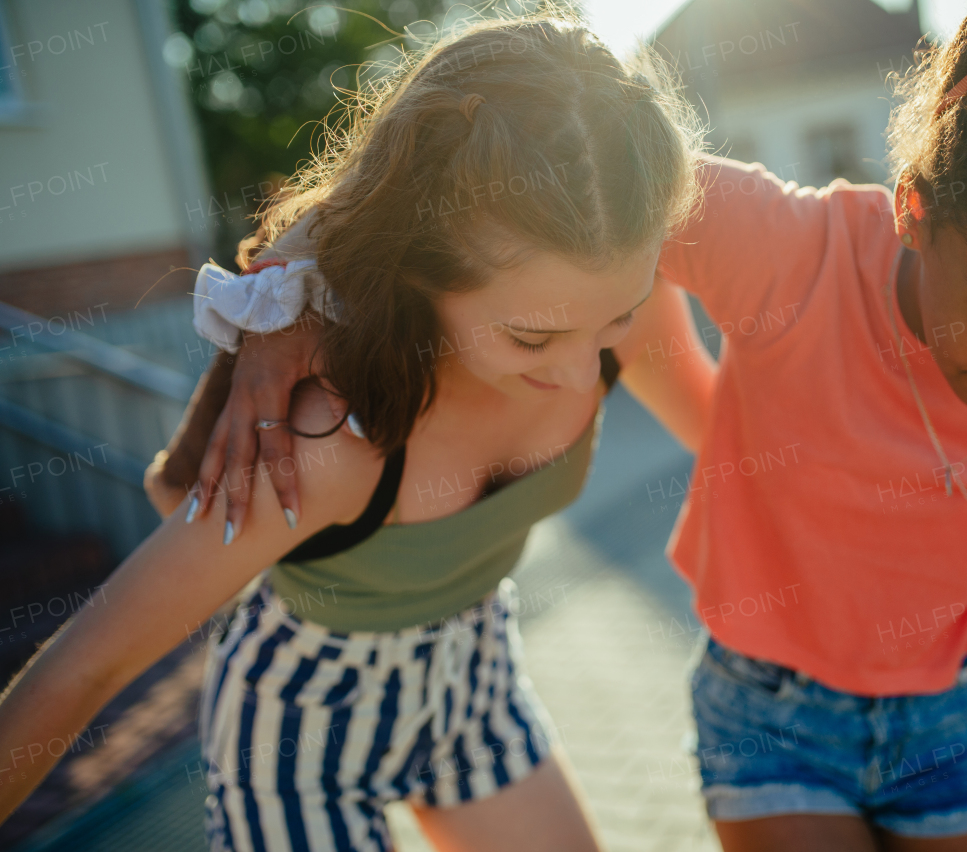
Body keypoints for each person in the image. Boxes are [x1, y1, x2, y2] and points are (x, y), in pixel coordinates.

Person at [173, 0, 967, 850]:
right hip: (769, 720)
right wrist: (285, 294)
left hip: (952, 722)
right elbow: (490, 171)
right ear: (915, 211)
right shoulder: (789, 251)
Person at [0, 15, 718, 852]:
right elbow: (85, 666)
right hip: (302, 730)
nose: (576, 370)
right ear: (419, 267)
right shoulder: (330, 433)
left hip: (472, 673)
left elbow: (728, 429)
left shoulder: (598, 279)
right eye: (530, 339)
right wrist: (277, 297)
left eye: (618, 318)